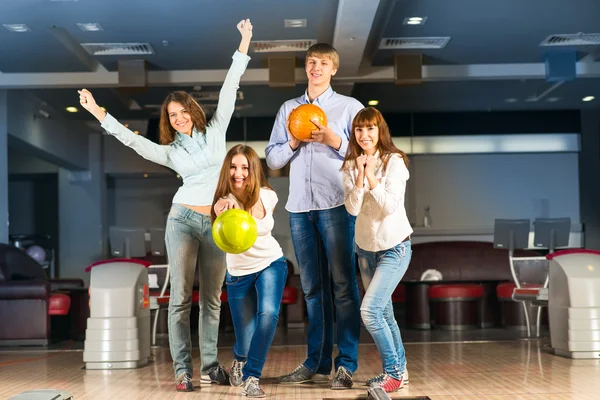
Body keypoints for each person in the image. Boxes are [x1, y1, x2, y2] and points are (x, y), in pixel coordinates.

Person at [77, 19, 254, 392]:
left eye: (182, 111)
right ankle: (181, 371)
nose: (179, 117)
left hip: (218, 224)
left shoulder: (217, 130)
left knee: (211, 301)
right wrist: (98, 112)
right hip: (183, 221)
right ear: (169, 122)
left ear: (192, 109)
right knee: (179, 300)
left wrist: (244, 43)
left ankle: (209, 365)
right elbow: (133, 142)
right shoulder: (171, 152)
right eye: (172, 115)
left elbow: (229, 88)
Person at [265, 43, 363, 389]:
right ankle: (316, 363)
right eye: (310, 62)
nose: (315, 68)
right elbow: (273, 160)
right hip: (300, 209)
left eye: (322, 63)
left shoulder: (349, 107)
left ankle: (346, 364)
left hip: (337, 205)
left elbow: (366, 152)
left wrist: (333, 139)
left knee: (343, 287)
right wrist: (293, 141)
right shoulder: (289, 109)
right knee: (312, 290)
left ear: (333, 69)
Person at [341, 107, 412, 393]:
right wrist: (359, 173)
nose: (365, 134)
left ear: (379, 130)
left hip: (395, 248)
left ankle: (392, 372)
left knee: (369, 311)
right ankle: (401, 371)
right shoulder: (349, 165)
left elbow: (389, 206)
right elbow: (352, 208)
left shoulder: (394, 162)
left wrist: (371, 176)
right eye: (359, 129)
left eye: (370, 128)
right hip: (366, 251)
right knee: (384, 313)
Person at [211, 144, 287, 398]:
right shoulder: (221, 199)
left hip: (270, 263)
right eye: (233, 167)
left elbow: (252, 217)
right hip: (238, 272)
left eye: (244, 167)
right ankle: (240, 358)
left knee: (268, 313)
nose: (238, 173)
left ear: (253, 169)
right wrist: (220, 207)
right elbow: (221, 221)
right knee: (244, 338)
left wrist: (236, 200)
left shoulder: (268, 195)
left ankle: (252, 376)